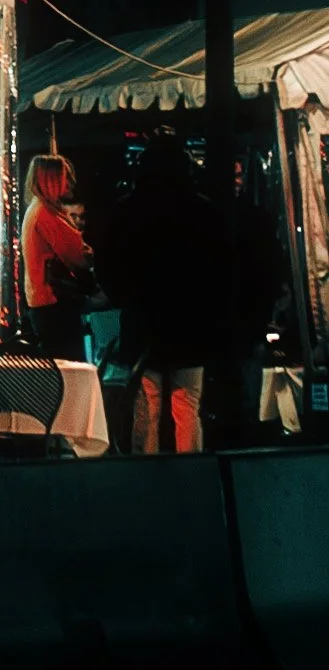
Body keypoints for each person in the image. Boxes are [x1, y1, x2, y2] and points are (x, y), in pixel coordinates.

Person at [101, 134, 235, 455]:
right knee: (187, 406)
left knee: (147, 405)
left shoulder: (127, 210)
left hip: (143, 320)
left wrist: (127, 298)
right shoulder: (202, 211)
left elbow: (108, 267)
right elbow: (222, 268)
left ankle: (146, 479)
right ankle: (191, 478)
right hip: (192, 322)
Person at [20, 152, 96, 360]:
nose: (71, 183)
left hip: (44, 304)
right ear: (51, 180)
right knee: (69, 369)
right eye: (65, 177)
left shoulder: (36, 211)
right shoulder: (45, 214)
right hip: (55, 305)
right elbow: (77, 255)